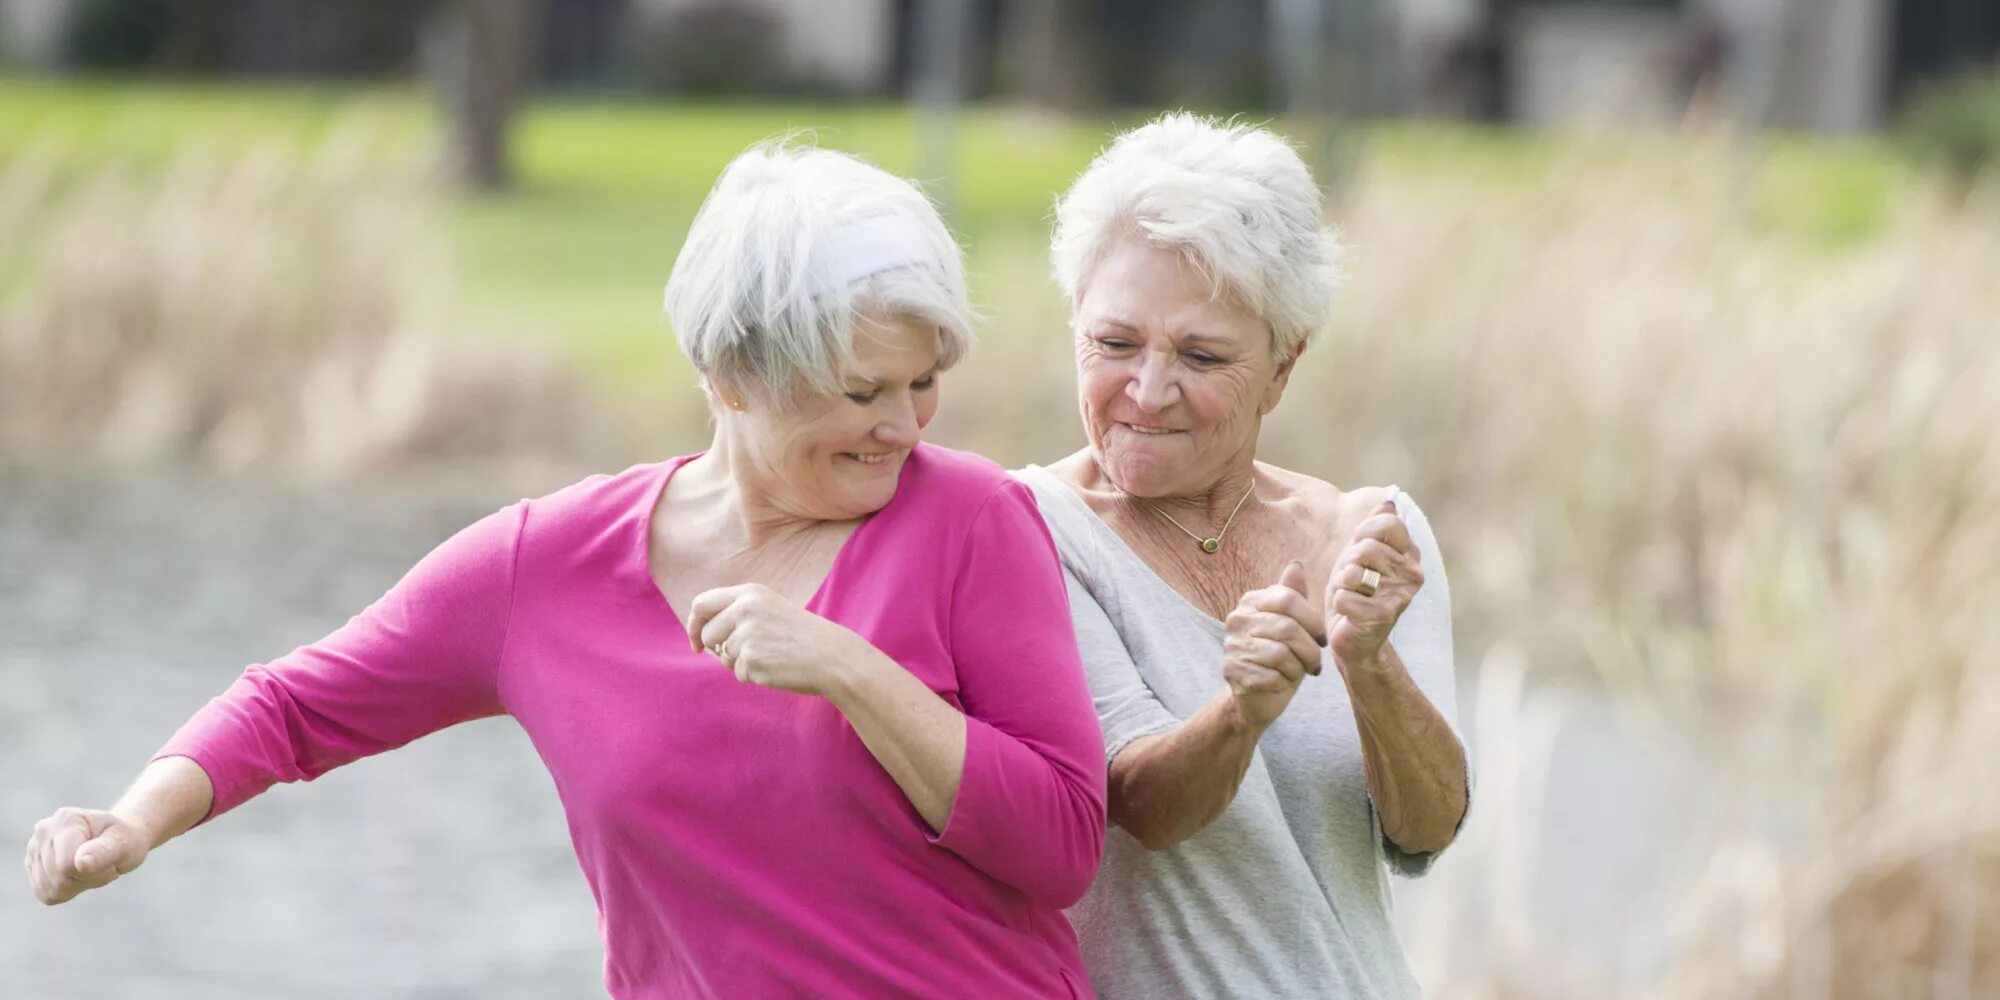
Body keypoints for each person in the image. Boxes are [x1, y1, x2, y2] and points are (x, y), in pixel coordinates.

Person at [24, 142, 1107, 999]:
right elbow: (295, 706)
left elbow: (1062, 845)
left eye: (923, 381)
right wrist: (135, 819)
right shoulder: (543, 566)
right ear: (729, 375)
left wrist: (854, 673)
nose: (902, 426)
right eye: (862, 390)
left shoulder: (972, 521)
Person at [1014, 114, 1471, 999]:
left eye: (1202, 355)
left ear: (1283, 367)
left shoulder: (1370, 532)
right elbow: (1140, 805)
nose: (1146, 392)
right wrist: (1240, 710)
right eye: (1114, 343)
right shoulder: (1027, 524)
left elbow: (1426, 832)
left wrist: (1369, 664)